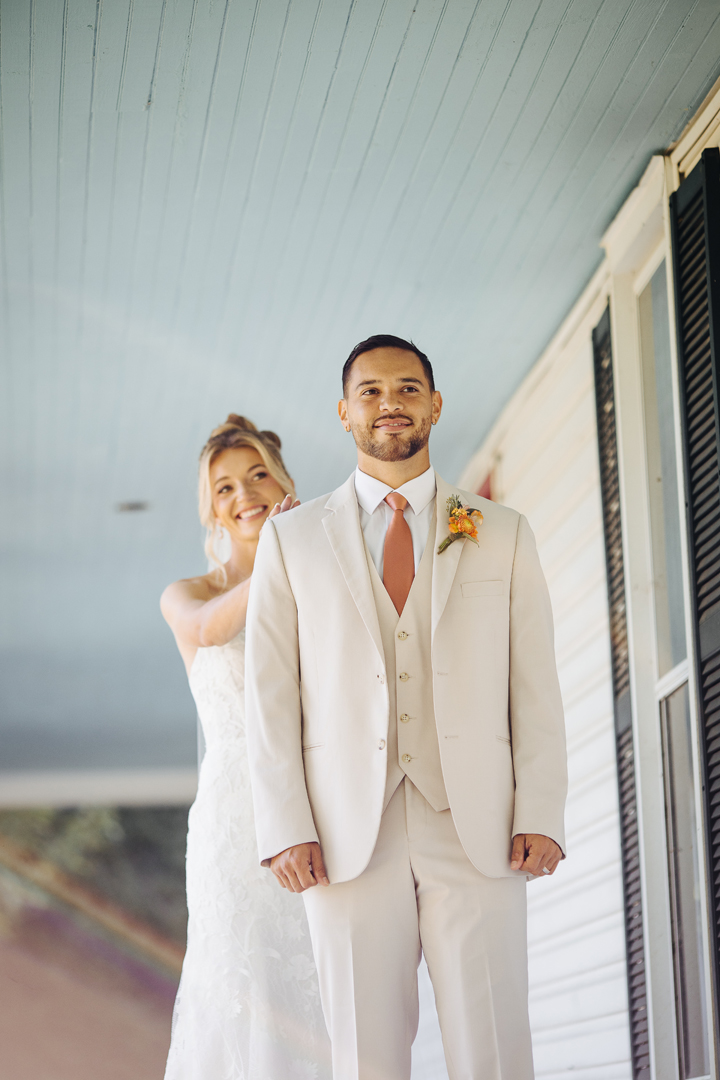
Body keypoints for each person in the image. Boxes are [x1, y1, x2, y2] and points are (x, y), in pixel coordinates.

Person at [245, 336, 568, 1080]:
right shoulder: (292, 541)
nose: (390, 403)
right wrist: (285, 825)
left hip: (479, 825)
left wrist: (540, 808)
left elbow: (535, 683)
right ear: (344, 412)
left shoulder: (501, 531)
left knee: (494, 1050)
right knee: (366, 1059)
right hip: (342, 834)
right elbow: (272, 695)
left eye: (408, 388)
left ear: (434, 404)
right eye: (371, 391)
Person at [160, 414, 330, 1080]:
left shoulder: (323, 582)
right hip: (235, 828)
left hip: (320, 811)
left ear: (284, 481)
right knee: (243, 991)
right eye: (225, 486)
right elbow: (207, 630)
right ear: (212, 509)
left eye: (259, 474)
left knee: (325, 993)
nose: (246, 493)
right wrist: (286, 557)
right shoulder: (188, 595)